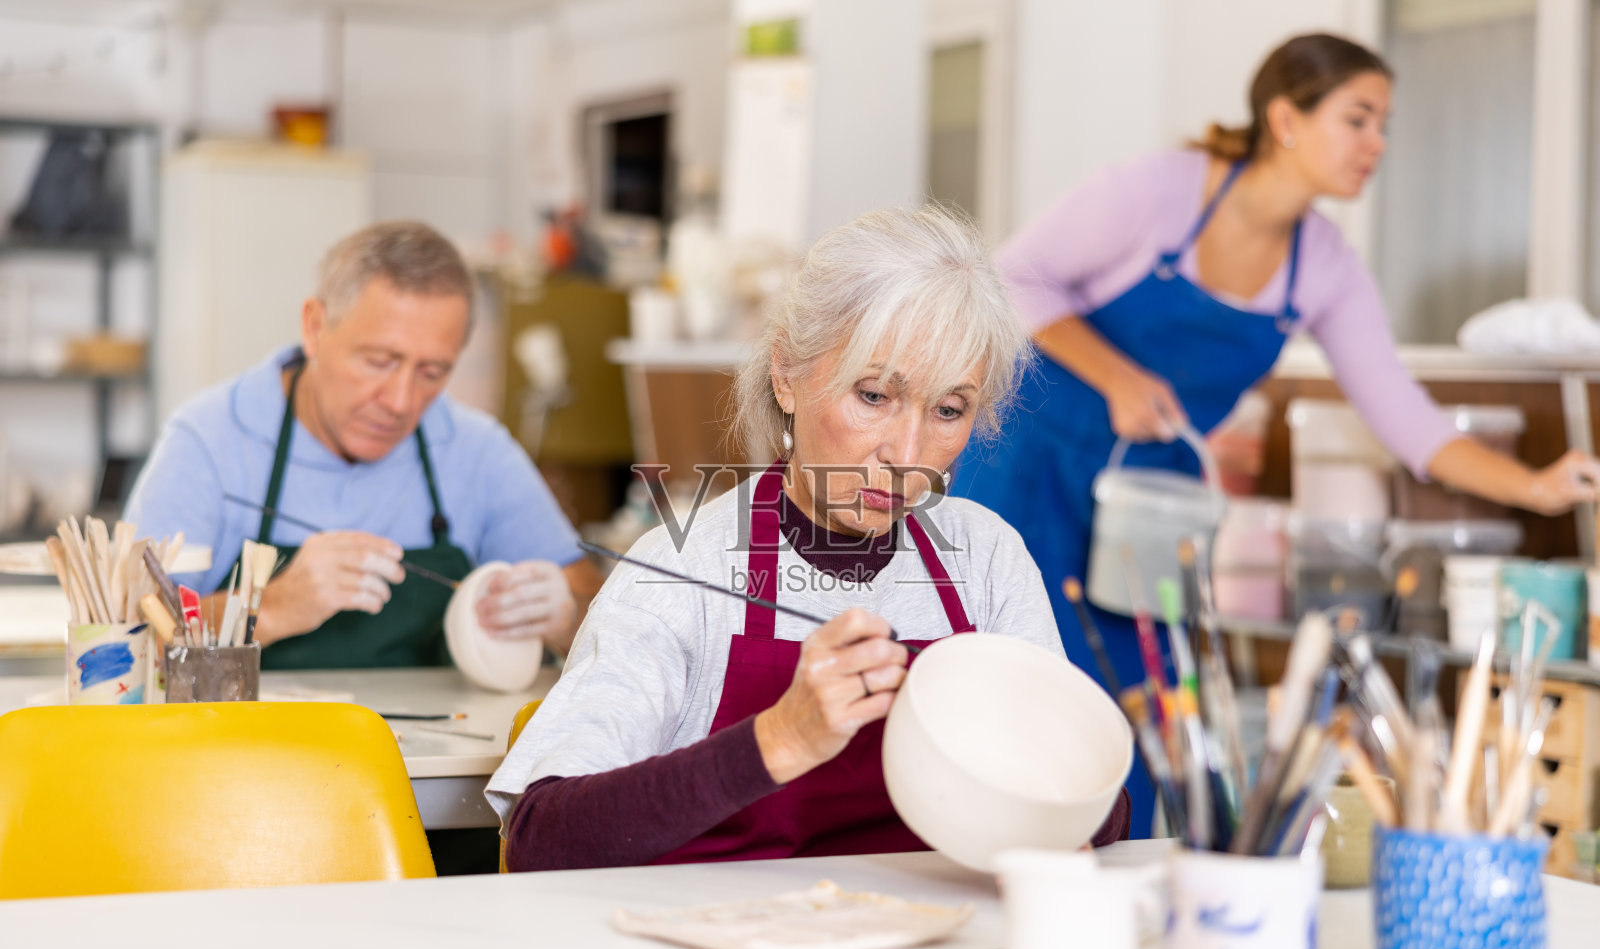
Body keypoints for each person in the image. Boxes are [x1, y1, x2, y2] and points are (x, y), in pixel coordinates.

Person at [949, 33, 1600, 837]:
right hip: (1027, 467)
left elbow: (1404, 415)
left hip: (1148, 508)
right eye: (1357, 119)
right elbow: (1010, 276)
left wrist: (1537, 485)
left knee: (1141, 707)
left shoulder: (1323, 266)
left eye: (1384, 124)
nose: (1377, 144)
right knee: (1009, 678)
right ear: (1286, 119)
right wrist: (1116, 376)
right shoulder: (1158, 192)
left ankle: (1111, 879)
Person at [488, 206, 1130, 870]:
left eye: (948, 409)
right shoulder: (682, 570)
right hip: (725, 930)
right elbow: (542, 837)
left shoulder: (986, 559)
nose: (908, 453)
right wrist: (779, 738)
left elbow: (1100, 803)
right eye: (874, 395)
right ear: (786, 375)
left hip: (932, 931)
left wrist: (1046, 777)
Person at [127, 220, 604, 669]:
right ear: (314, 327)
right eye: (379, 361)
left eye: (431, 372)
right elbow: (128, 644)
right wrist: (267, 607)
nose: (400, 402)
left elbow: (604, 617)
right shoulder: (208, 442)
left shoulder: (477, 451)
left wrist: (565, 616)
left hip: (438, 735)